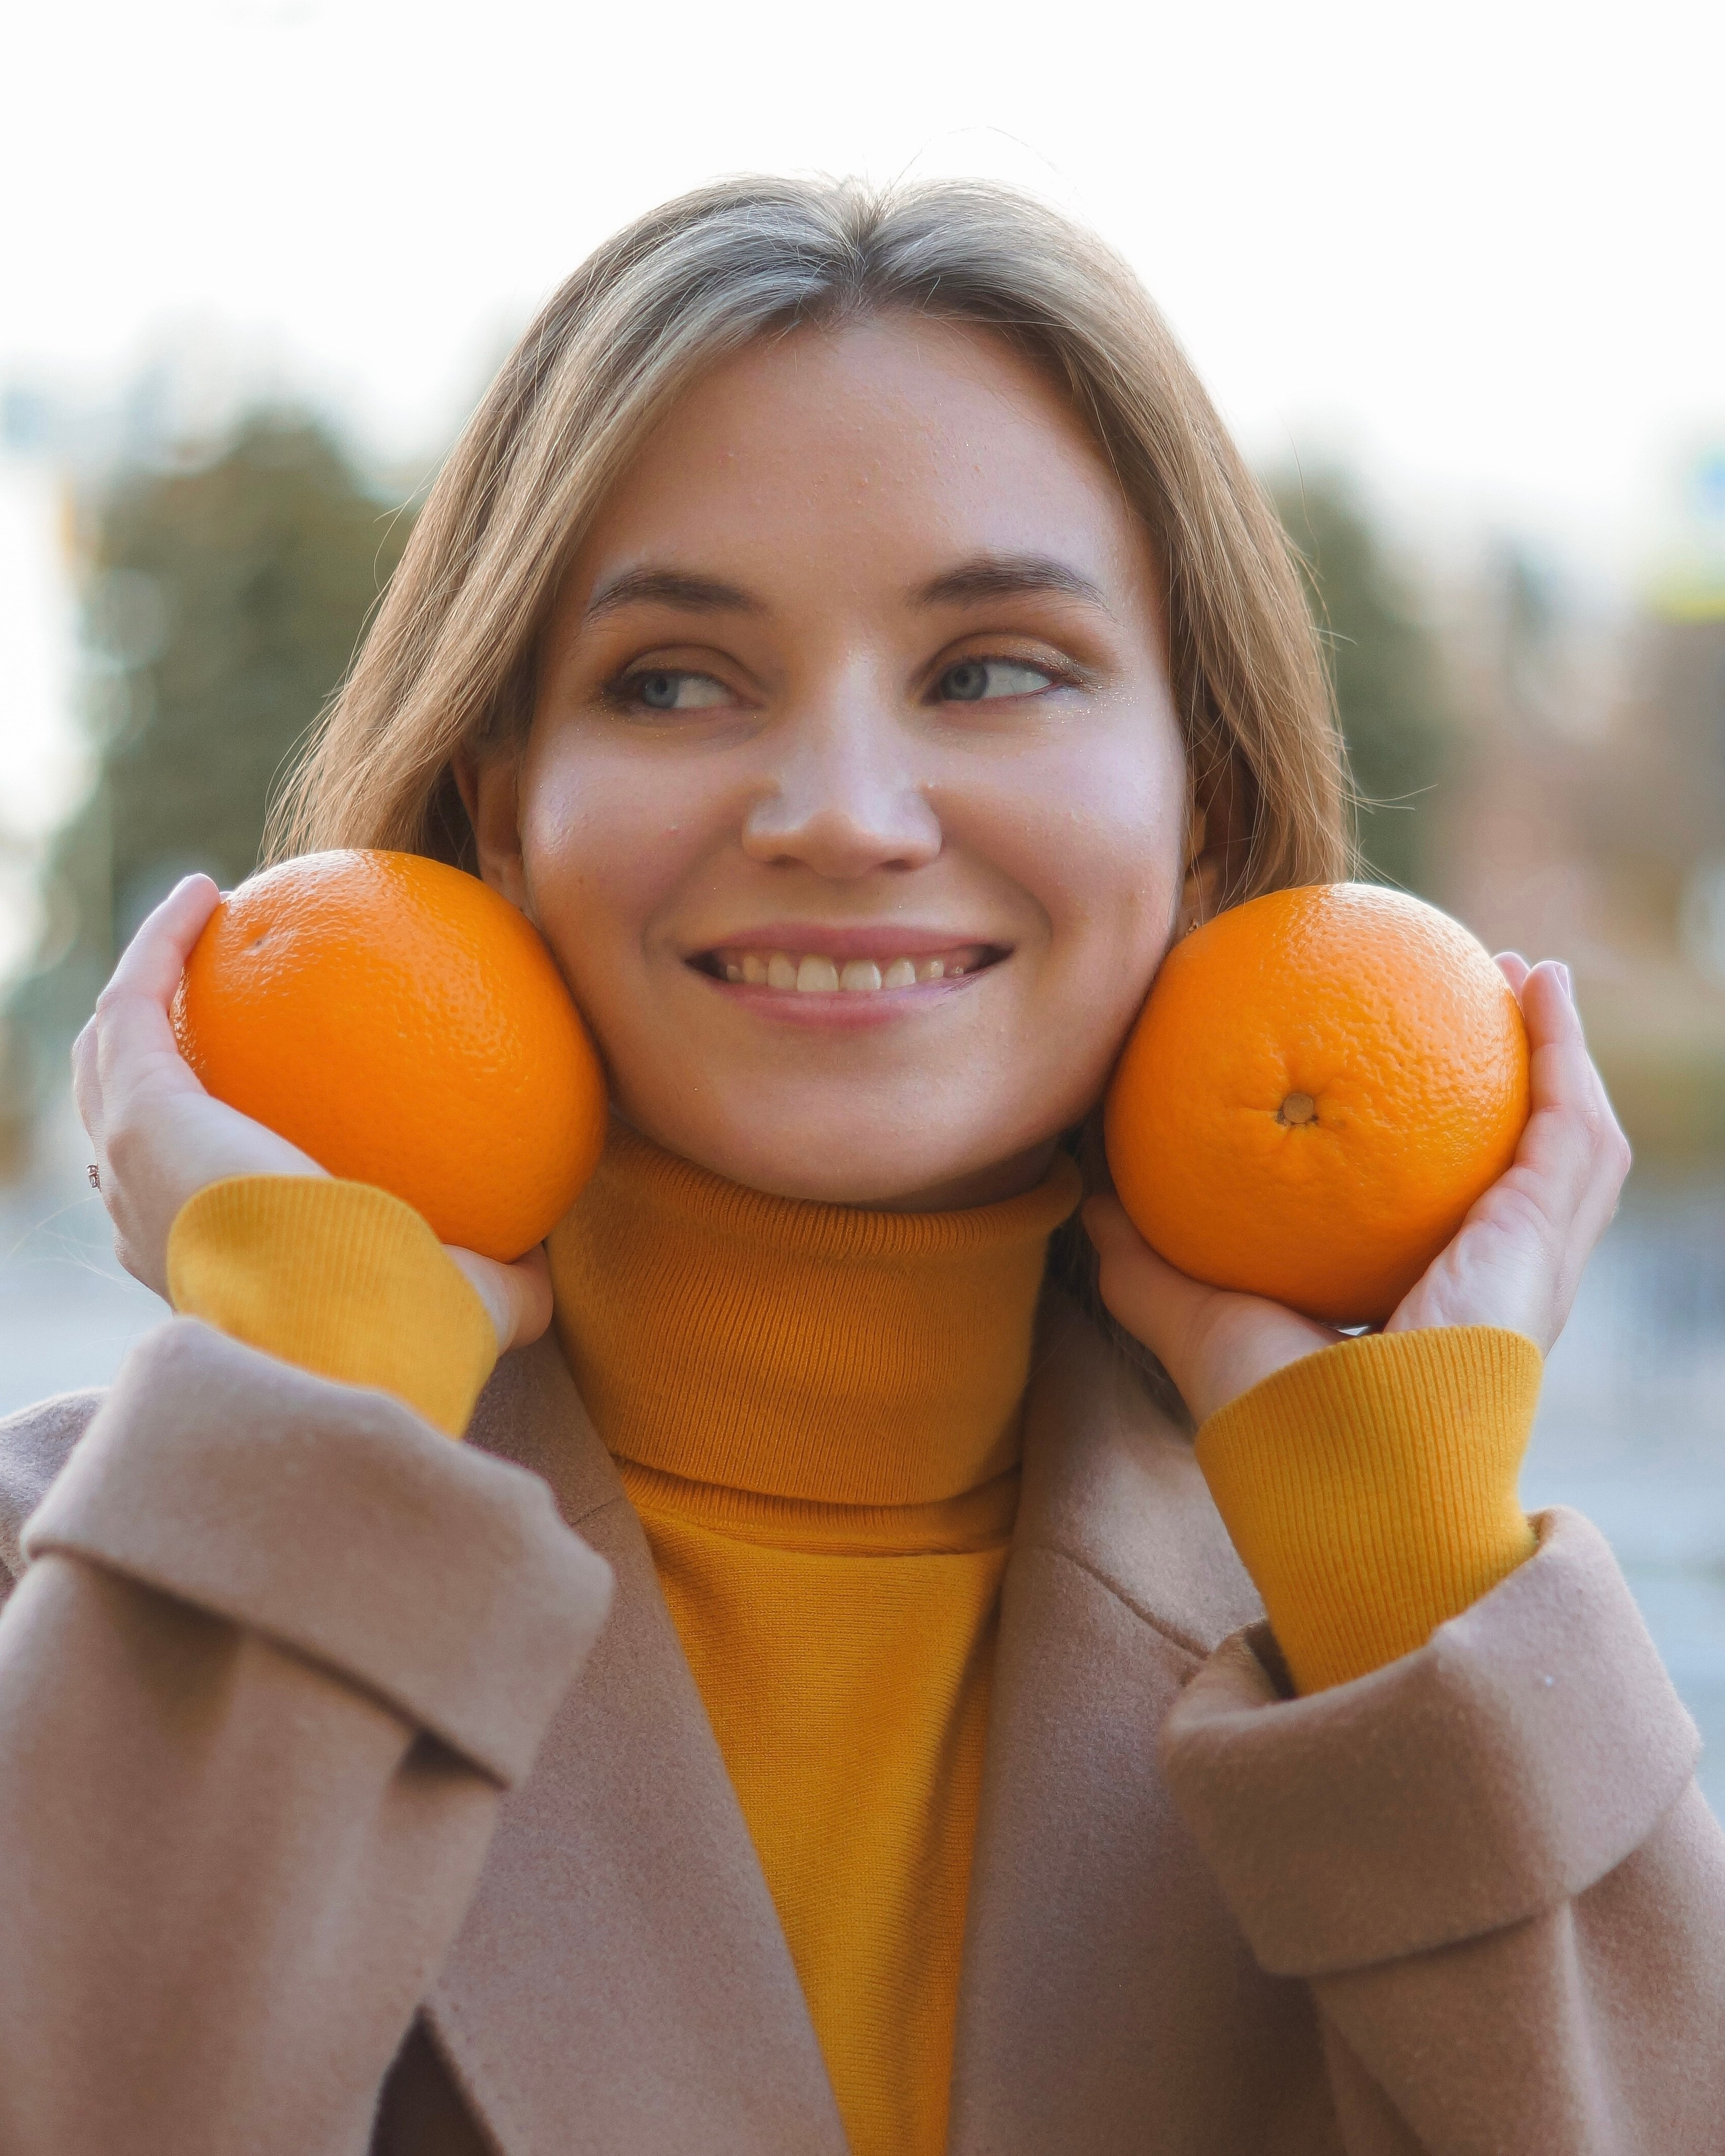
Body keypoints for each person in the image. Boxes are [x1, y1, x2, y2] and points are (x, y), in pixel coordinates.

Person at [1, 177, 1719, 2156]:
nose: (840, 812)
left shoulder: (1379, 1638)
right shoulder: (91, 1575)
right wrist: (308, 1395)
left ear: (1207, 811)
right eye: (672, 680)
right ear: (501, 816)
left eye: (991, 668)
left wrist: (1410, 1572)